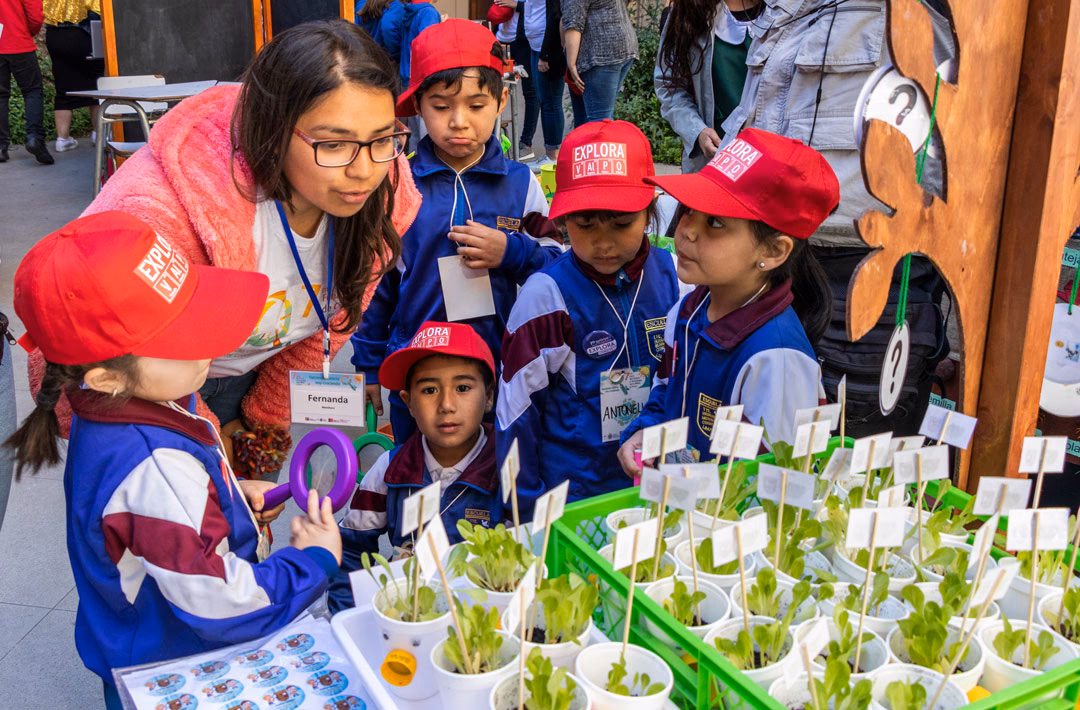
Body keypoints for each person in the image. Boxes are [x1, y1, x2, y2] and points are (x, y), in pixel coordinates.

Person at [29, 20, 422, 479]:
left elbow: (331, 320)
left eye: (382, 138)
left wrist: (262, 434)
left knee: (250, 511)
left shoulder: (385, 192)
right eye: (334, 144)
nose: (365, 171)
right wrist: (215, 450)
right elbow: (123, 361)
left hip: (259, 372)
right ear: (274, 129)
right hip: (156, 384)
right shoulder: (168, 209)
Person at [5, 212, 342, 710]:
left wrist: (226, 496)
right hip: (176, 674)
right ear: (105, 377)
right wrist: (311, 561)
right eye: (181, 338)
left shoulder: (119, 406)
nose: (210, 340)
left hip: (145, 644)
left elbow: (153, 522)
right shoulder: (153, 466)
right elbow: (221, 605)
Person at [721, 0, 954, 437]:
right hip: (775, 254)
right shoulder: (786, 10)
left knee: (854, 437)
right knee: (773, 430)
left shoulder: (918, 11)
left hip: (868, 262)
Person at [352, 19, 561, 444]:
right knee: (413, 467)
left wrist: (512, 252)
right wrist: (369, 364)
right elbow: (374, 282)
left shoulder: (521, 184)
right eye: (442, 106)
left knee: (492, 466)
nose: (459, 121)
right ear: (418, 106)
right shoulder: (397, 183)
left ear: (501, 101)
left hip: (496, 367)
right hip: (416, 367)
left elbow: (556, 265)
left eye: (476, 105)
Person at [618, 128, 836, 471]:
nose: (687, 230)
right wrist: (647, 432)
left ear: (773, 251)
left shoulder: (776, 361)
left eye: (716, 222)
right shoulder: (689, 309)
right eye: (689, 210)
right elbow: (667, 390)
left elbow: (772, 482)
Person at [498, 120, 681, 514]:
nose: (603, 241)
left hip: (658, 485)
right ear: (563, 221)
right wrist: (524, 512)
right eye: (585, 224)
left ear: (650, 212)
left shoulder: (676, 280)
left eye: (622, 223)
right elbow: (515, 412)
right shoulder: (545, 296)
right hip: (575, 496)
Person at [329, 321, 498, 611]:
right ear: (408, 402)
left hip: (484, 615)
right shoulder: (389, 469)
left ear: (489, 397)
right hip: (411, 612)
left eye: (463, 387)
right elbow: (350, 550)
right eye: (429, 390)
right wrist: (346, 616)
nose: (446, 405)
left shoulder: (510, 468)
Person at [654, 0, 763, 173]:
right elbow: (670, 86)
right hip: (711, 163)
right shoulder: (687, 12)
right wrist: (697, 131)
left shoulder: (787, 14)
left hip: (769, 162)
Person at [562, 0, 637, 126]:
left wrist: (571, 63)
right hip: (621, 44)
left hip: (601, 54)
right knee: (601, 116)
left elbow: (573, 23)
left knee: (599, 122)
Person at [43, 0, 105, 152]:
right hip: (83, 33)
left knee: (62, 87)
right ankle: (98, 134)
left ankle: (62, 139)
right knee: (96, 85)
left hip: (54, 35)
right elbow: (97, 8)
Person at [0, 0, 53, 164]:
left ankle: (1, 146)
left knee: (0, 96)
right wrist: (28, 31)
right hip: (18, 40)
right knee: (32, 92)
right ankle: (34, 138)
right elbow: (35, 15)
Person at [491, 0, 540, 160]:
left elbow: (539, 10)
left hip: (523, 42)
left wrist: (515, 5)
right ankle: (493, 138)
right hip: (500, 41)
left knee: (530, 92)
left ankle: (526, 143)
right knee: (493, 88)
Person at [355, 0, 406, 68]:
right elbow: (388, 28)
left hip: (365, 57)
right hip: (385, 61)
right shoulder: (395, 7)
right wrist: (396, 54)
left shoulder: (361, 4)